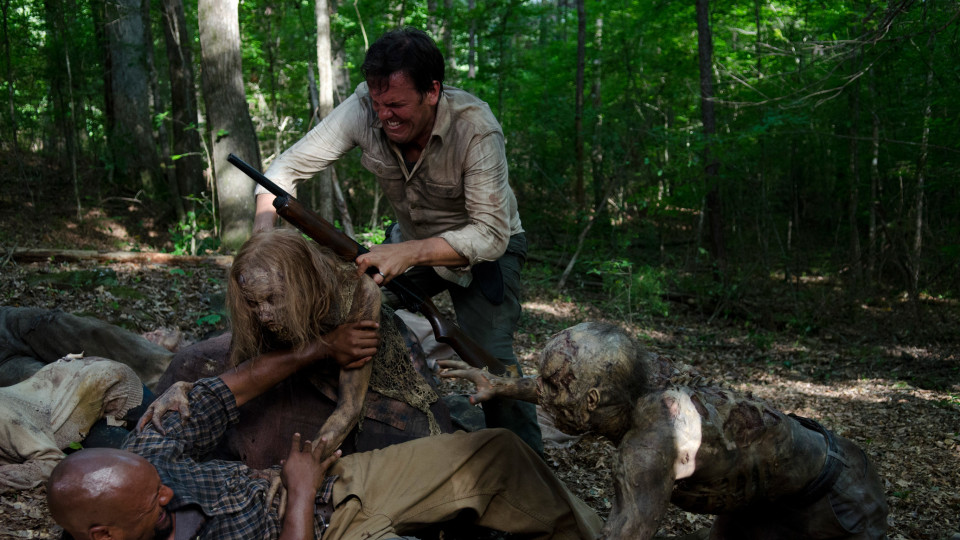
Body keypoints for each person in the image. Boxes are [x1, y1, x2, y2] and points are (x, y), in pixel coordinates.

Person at [255, 27, 541, 454]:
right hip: (406, 243)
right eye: (377, 103)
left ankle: (528, 467)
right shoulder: (363, 109)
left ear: (432, 92)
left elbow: (490, 233)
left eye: (396, 105)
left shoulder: (476, 129)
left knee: (493, 362)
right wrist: (260, 248)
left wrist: (407, 254)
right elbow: (281, 172)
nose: (383, 116)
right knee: (341, 313)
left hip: (485, 253)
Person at [46, 324, 604, 540]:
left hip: (337, 483)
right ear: (103, 535)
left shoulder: (149, 461)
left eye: (158, 483)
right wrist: (301, 490)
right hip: (314, 518)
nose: (168, 492)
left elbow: (228, 389)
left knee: (496, 453)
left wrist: (321, 348)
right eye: (153, 501)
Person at [439, 322, 889, 540]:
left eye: (551, 385)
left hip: (833, 495)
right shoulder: (633, 376)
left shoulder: (651, 445)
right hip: (756, 500)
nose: (543, 392)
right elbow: (564, 391)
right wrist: (499, 385)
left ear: (592, 401)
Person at [149, 228, 453, 468]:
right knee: (189, 362)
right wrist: (190, 388)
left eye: (273, 299)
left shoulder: (356, 291)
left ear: (301, 285)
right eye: (254, 302)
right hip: (295, 363)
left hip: (365, 383)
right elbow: (243, 364)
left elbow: (349, 408)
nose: (263, 314)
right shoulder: (254, 302)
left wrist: (299, 472)